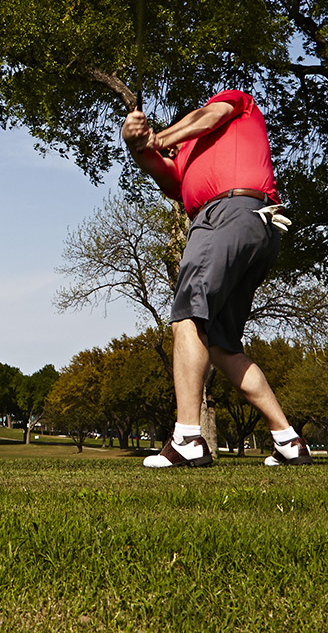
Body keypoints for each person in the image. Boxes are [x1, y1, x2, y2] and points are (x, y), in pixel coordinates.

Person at [121, 91, 313, 467]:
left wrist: (157, 138)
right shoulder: (185, 158)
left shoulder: (236, 105)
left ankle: (187, 438)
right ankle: (288, 440)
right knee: (223, 346)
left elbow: (209, 116)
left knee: (187, 317)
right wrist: (136, 144)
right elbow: (159, 169)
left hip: (226, 213)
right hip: (255, 226)